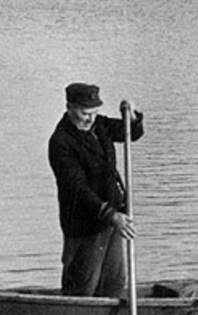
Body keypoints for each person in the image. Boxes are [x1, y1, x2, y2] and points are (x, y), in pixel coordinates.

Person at [48, 83, 144, 296]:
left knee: (114, 283)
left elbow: (131, 133)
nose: (90, 119)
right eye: (85, 113)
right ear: (69, 108)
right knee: (83, 285)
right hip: (84, 226)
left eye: (94, 113)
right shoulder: (61, 142)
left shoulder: (100, 126)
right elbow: (77, 190)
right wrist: (111, 215)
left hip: (112, 221)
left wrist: (132, 115)